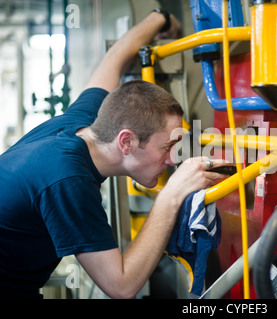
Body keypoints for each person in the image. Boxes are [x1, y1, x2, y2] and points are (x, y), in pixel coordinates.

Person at [0, 9, 227, 299]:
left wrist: (161, 19)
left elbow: (114, 58)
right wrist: (173, 193)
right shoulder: (68, 178)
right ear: (127, 142)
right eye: (167, 147)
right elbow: (121, 287)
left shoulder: (84, 122)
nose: (173, 160)